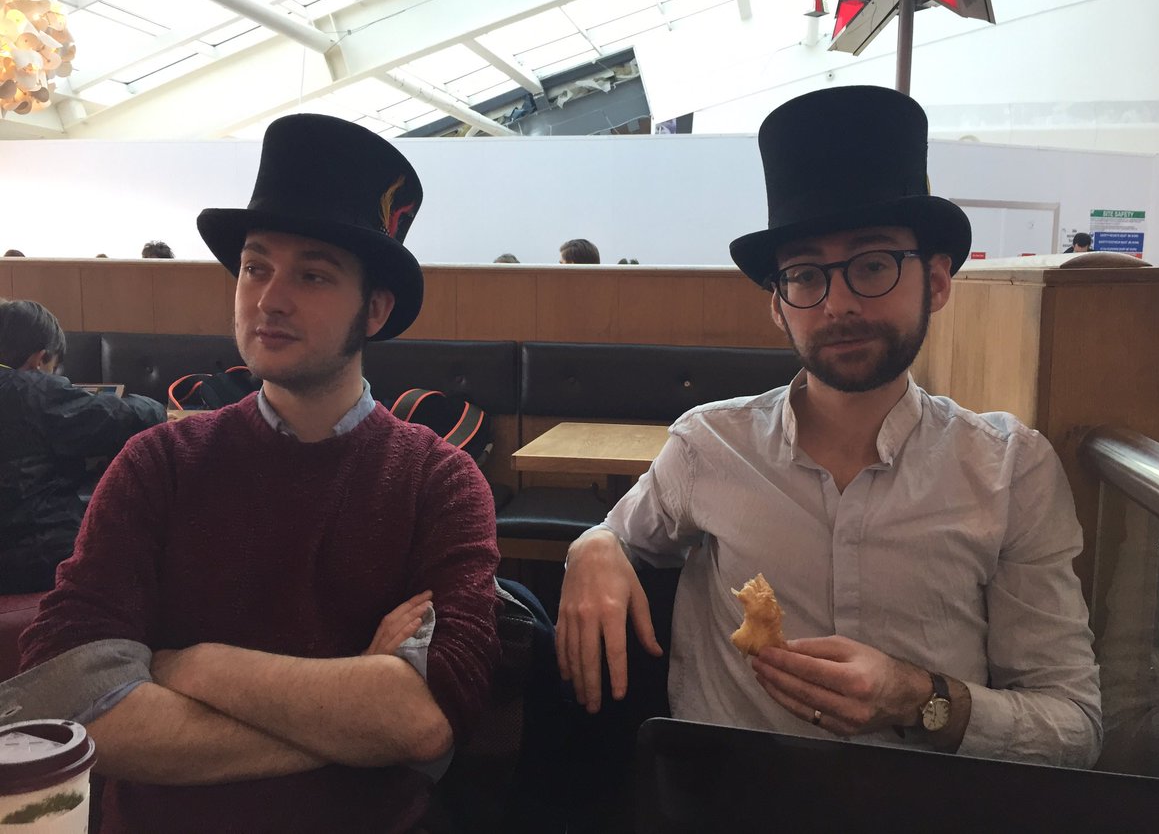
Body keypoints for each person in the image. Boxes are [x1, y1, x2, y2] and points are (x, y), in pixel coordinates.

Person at [556, 86, 1101, 769]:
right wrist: (593, 546)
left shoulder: (1010, 469)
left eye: (872, 265)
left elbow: (1073, 726)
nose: (838, 303)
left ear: (936, 282)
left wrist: (918, 699)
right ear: (778, 305)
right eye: (807, 274)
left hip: (922, 810)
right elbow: (619, 535)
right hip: (728, 803)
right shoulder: (707, 447)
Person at [7, 115, 501, 832]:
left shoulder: (438, 482)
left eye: (313, 274)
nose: (269, 297)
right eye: (255, 267)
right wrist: (351, 716)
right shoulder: (158, 464)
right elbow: (70, 702)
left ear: (375, 309)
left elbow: (427, 720)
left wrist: (193, 666)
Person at [0, 300, 165, 594]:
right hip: (30, 558)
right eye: (52, 368)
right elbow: (129, 418)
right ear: (39, 360)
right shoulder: (31, 390)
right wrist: (156, 406)